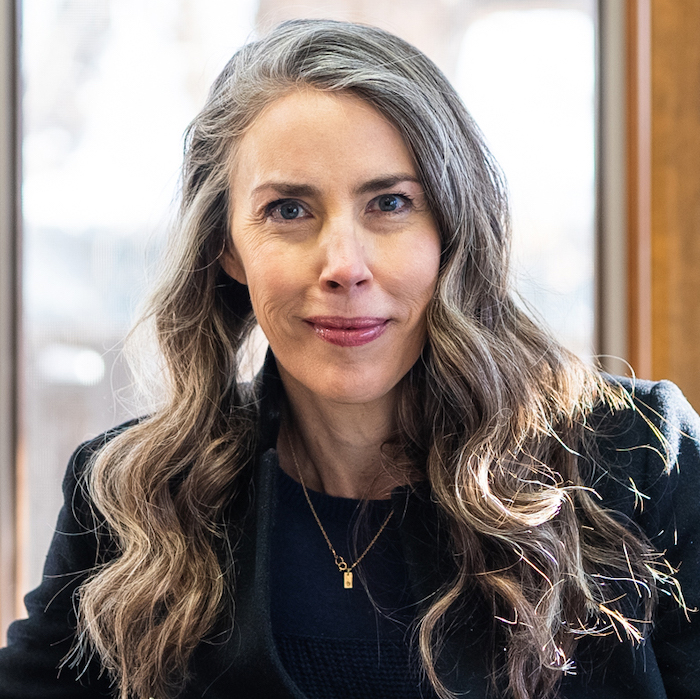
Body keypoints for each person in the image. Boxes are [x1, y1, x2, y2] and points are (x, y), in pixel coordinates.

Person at [1, 18, 699, 699]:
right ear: (226, 247)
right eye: (288, 210)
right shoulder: (129, 497)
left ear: (452, 231)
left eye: (391, 202)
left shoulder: (641, 456)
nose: (344, 265)